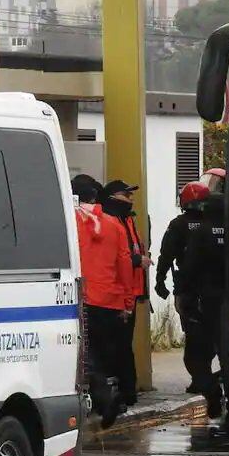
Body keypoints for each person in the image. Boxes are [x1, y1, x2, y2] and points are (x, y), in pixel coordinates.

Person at [71, 173, 130, 428]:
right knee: (103, 355)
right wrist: (127, 301)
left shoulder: (71, 221)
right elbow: (124, 263)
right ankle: (108, 394)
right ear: (96, 196)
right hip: (110, 300)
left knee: (87, 357)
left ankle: (104, 399)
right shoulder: (114, 224)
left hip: (82, 300)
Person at [179, 187, 229, 419]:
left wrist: (182, 295)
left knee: (196, 357)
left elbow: (188, 268)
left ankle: (211, 391)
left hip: (203, 305)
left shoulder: (201, 233)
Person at [156, 181, 211, 394]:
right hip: (217, 289)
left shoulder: (178, 225)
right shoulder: (219, 224)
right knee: (212, 333)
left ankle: (200, 377)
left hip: (188, 289)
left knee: (193, 334)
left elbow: (166, 254)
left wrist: (159, 280)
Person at [101, 179, 151, 406]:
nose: (130, 199)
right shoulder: (109, 222)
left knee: (123, 346)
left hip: (130, 293)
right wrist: (136, 260)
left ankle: (127, 391)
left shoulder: (128, 220)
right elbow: (114, 258)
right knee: (116, 348)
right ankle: (119, 392)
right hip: (115, 296)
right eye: (126, 194)